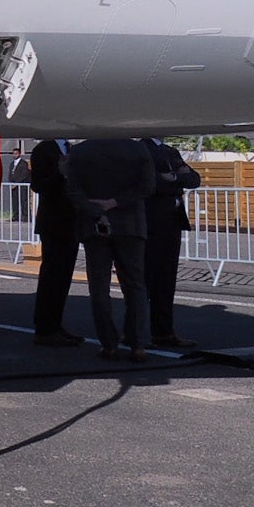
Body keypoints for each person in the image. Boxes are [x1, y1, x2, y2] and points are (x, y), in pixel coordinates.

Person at [66, 138, 157, 361]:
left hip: (93, 226)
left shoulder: (79, 152)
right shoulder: (137, 148)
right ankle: (137, 344)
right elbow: (148, 186)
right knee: (135, 285)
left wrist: (97, 210)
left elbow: (73, 192)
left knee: (99, 287)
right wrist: (115, 202)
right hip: (130, 224)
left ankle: (109, 344)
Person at [143, 138, 203, 349]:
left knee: (167, 278)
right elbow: (150, 184)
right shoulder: (142, 149)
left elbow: (194, 179)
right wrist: (176, 181)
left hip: (173, 220)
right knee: (147, 278)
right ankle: (137, 332)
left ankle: (164, 331)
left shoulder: (171, 151)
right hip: (152, 221)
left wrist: (174, 178)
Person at [28, 138, 82, 346]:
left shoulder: (73, 150)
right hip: (53, 222)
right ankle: (44, 327)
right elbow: (38, 185)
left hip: (71, 221)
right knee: (51, 275)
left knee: (63, 277)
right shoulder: (44, 149)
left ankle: (55, 324)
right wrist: (60, 172)